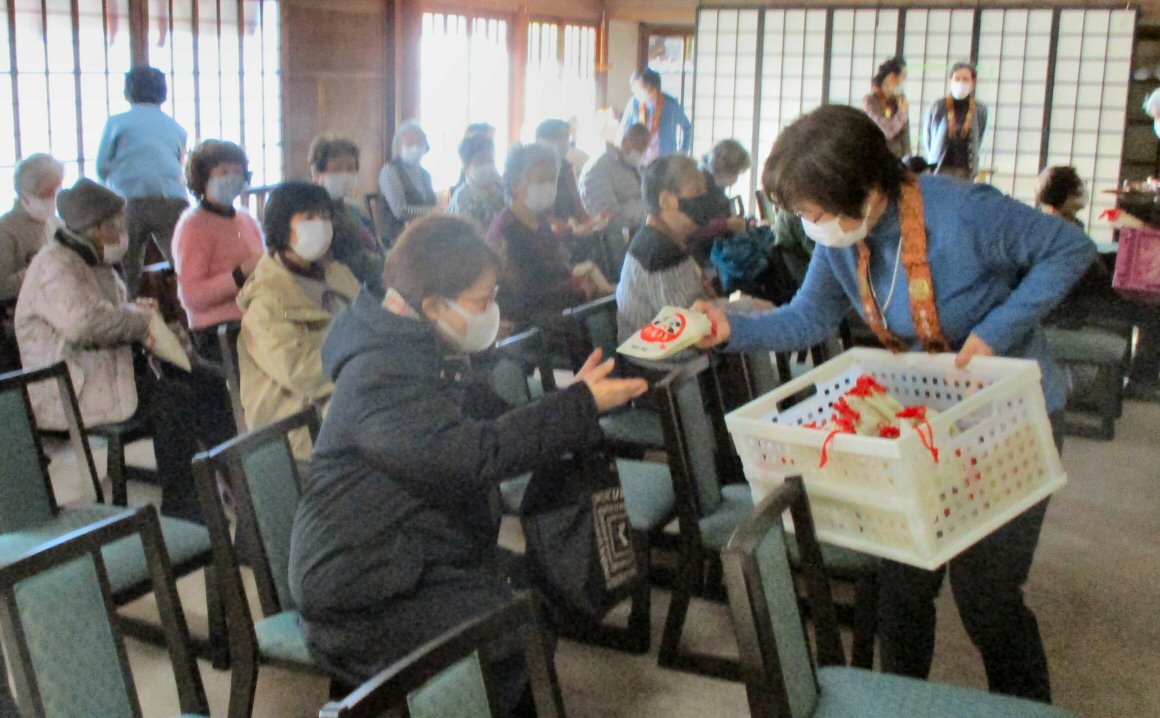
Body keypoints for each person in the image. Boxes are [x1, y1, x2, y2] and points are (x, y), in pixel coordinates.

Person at [695, 105, 1094, 704]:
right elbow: (809, 317)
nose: (810, 226)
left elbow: (1070, 248)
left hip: (1008, 416)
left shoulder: (963, 212)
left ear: (863, 186)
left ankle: (1028, 708)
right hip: (926, 422)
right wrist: (732, 329)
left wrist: (995, 332)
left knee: (987, 598)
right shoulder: (843, 238)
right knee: (902, 583)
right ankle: (899, 705)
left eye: (813, 212)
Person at [288, 215, 648, 716]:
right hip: (360, 592)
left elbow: (492, 423)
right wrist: (579, 405)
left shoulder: (419, 346)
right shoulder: (379, 375)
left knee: (534, 595)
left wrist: (572, 401)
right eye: (482, 301)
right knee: (519, 626)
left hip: (412, 552)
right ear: (434, 305)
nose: (492, 312)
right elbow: (477, 454)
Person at [15, 178, 234, 523]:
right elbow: (84, 323)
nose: (123, 231)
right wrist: (141, 319)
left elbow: (115, 313)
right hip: (73, 387)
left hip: (110, 371)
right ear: (96, 228)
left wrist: (143, 317)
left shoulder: (94, 259)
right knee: (173, 401)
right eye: (116, 223)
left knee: (208, 381)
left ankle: (234, 480)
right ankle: (184, 509)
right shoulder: (55, 266)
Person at [236, 182, 360, 458]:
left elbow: (369, 322)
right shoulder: (266, 300)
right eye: (309, 218)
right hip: (298, 423)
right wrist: (365, 367)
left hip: (345, 395)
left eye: (325, 217)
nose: (321, 225)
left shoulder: (336, 273)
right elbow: (301, 371)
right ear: (282, 226)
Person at [1037, 166, 1160, 401]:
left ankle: (1133, 375)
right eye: (1078, 188)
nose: (1083, 191)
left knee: (1147, 302)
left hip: (1079, 295)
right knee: (1153, 310)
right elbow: (1086, 277)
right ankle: (1142, 382)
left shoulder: (1056, 221)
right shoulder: (1062, 229)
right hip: (1073, 305)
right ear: (1067, 196)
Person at [488, 143, 611, 332]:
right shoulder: (505, 231)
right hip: (534, 325)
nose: (548, 187)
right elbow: (524, 296)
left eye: (552, 180)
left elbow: (556, 270)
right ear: (515, 185)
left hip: (562, 310)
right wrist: (578, 287)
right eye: (541, 180)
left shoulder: (541, 222)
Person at [95, 66, 190, 295]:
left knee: (127, 268)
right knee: (183, 264)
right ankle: (191, 310)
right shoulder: (177, 127)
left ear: (128, 91)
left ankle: (128, 308)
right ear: (163, 93)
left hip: (129, 200)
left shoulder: (117, 123)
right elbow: (180, 165)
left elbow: (101, 167)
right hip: (172, 199)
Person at [171, 140, 265, 362]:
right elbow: (191, 296)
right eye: (223, 172)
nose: (232, 177)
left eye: (237, 172)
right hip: (219, 330)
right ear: (203, 178)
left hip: (257, 319)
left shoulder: (246, 220)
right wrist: (239, 275)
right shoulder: (193, 225)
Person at [616, 155, 719, 344]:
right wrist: (745, 307)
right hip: (669, 360)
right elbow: (692, 329)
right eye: (696, 192)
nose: (705, 200)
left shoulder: (660, 238)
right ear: (665, 201)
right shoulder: (659, 252)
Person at [0, 154, 64, 371]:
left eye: (56, 192)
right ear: (25, 195)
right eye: (46, 195)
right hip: (23, 317)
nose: (53, 200)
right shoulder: (6, 231)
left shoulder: (55, 224)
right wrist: (37, 270)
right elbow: (2, 287)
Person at [308, 134, 384, 291]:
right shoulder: (313, 216)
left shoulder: (355, 210)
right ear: (317, 173)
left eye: (350, 169)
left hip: (376, 284)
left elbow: (378, 248)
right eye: (337, 169)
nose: (345, 175)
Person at [578, 123, 651, 240]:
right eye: (639, 146)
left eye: (644, 150)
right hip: (608, 239)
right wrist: (646, 210)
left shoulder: (632, 166)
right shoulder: (599, 167)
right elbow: (606, 217)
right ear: (625, 141)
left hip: (635, 232)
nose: (640, 153)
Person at [377, 120, 439, 246]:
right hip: (397, 237)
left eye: (419, 142)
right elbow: (400, 211)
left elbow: (433, 204)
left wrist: (434, 211)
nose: (415, 147)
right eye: (410, 143)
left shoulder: (426, 175)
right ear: (399, 146)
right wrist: (432, 212)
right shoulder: (389, 171)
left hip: (422, 233)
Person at [924, 63, 989, 180]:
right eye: (957, 79)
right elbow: (928, 137)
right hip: (940, 168)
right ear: (951, 81)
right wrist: (934, 155)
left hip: (966, 170)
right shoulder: (938, 106)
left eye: (965, 79)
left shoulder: (980, 109)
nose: (961, 83)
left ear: (973, 83)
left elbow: (979, 136)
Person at [619, 68, 692, 167]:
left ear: (652, 87)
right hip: (638, 160)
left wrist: (683, 153)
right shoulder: (633, 103)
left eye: (638, 88)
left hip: (664, 161)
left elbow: (687, 128)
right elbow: (623, 128)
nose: (634, 92)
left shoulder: (670, 104)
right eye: (633, 88)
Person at [535, 119, 592, 227]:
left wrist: (586, 218)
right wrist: (553, 224)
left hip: (571, 227)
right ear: (542, 140)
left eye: (566, 137)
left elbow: (576, 202)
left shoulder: (566, 167)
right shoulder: (533, 171)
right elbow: (533, 211)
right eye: (559, 137)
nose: (565, 142)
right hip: (545, 229)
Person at [447, 133, 505, 234]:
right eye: (481, 161)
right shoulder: (462, 198)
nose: (487, 165)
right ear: (467, 166)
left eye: (490, 160)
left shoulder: (501, 190)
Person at [860, 57, 911, 160]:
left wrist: (908, 160)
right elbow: (886, 131)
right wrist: (902, 112)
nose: (905, 82)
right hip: (877, 160)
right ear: (891, 78)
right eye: (903, 77)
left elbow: (905, 137)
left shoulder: (899, 100)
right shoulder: (870, 102)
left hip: (898, 161)